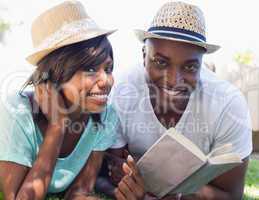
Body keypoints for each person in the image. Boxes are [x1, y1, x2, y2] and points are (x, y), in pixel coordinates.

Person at [97, 1, 253, 200]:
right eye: (161, 62)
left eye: (189, 67)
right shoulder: (122, 90)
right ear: (144, 55)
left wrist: (181, 195)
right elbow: (113, 174)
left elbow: (231, 195)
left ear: (201, 64)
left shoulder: (228, 104)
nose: (173, 80)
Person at [0, 1, 119, 199]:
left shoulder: (106, 115)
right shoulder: (16, 113)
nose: (106, 80)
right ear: (56, 74)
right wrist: (57, 126)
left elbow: (80, 191)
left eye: (108, 68)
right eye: (90, 69)